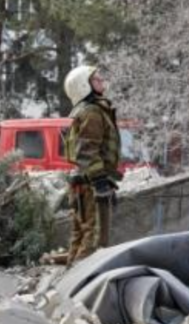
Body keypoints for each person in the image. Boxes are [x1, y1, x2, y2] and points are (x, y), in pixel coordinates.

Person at [63, 65, 121, 264]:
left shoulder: (89, 110)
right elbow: (87, 149)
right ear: (84, 86)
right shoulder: (92, 112)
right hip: (91, 184)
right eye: (96, 79)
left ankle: (69, 278)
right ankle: (83, 279)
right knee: (95, 241)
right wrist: (100, 182)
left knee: (81, 236)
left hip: (84, 182)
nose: (101, 82)